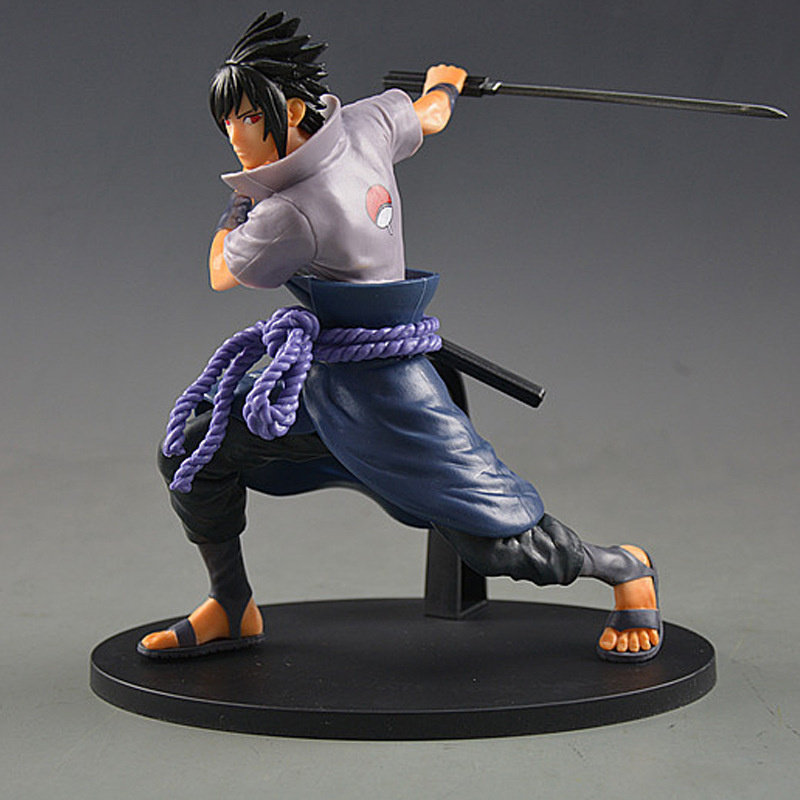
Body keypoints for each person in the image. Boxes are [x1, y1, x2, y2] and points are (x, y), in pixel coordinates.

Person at [138, 10, 661, 663]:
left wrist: (235, 207)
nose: (233, 135)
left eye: (246, 117)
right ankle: (232, 604)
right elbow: (430, 115)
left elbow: (221, 270)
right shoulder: (367, 123)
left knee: (497, 537)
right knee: (194, 453)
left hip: (384, 391)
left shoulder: (287, 213)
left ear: (292, 111)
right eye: (226, 121)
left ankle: (623, 566)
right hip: (318, 381)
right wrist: (446, 83)